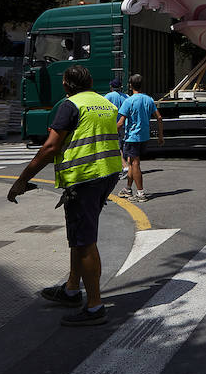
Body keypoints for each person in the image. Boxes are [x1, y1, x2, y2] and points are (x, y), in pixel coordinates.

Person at [8, 65, 123, 326]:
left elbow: (50, 148)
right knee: (79, 236)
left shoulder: (70, 106)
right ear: (91, 81)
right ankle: (72, 289)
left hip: (85, 177)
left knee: (84, 242)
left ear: (66, 85)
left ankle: (94, 306)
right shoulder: (105, 103)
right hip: (107, 173)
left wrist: (22, 180)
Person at [116, 73, 160, 202]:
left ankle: (140, 193)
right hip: (144, 137)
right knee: (130, 162)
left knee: (135, 163)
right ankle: (128, 189)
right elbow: (159, 117)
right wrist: (161, 136)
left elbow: (120, 122)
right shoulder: (149, 99)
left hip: (132, 137)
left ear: (130, 85)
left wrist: (109, 133)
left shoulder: (128, 101)